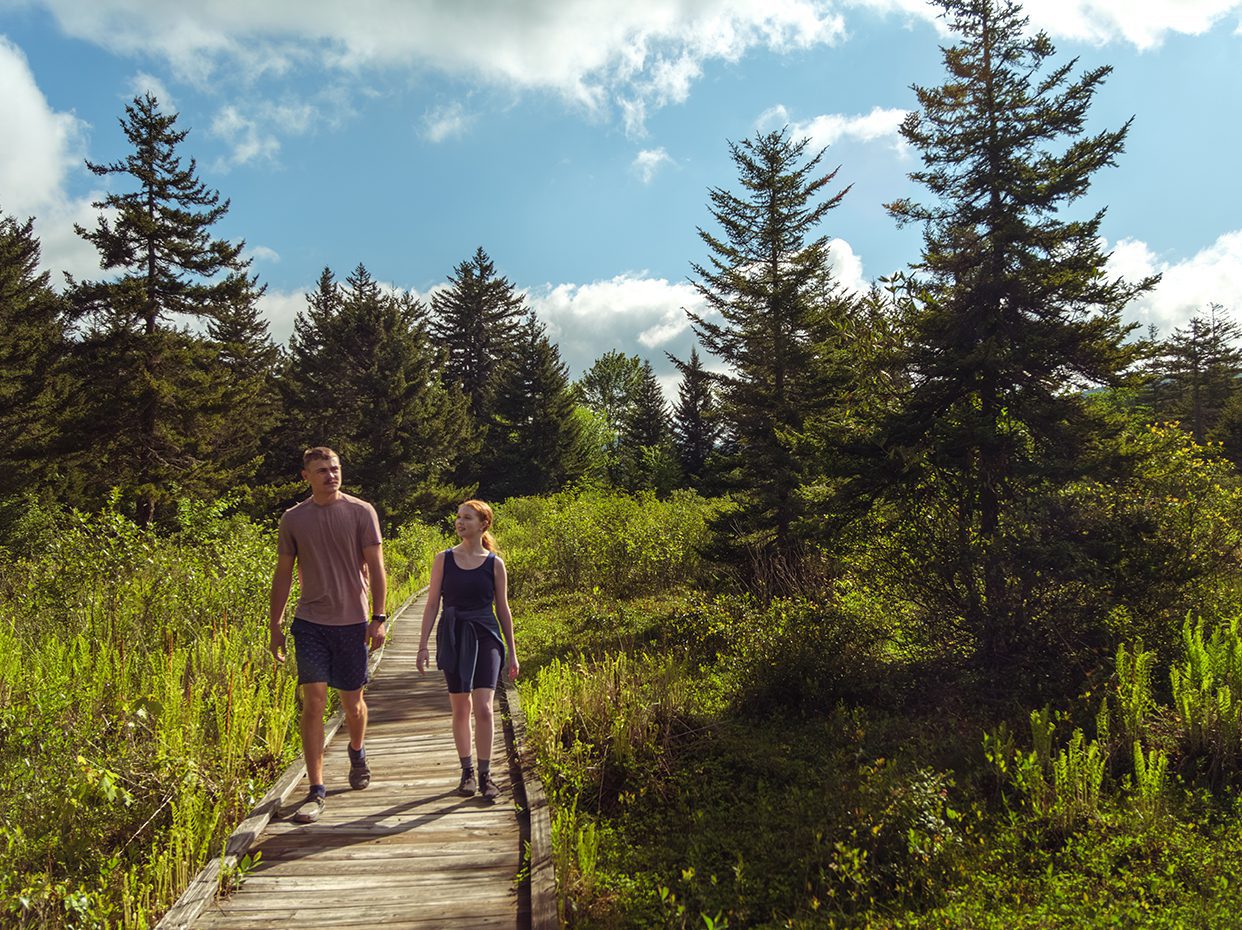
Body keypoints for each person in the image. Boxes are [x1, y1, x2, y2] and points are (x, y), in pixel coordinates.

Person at [269, 447, 388, 824]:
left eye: (335, 469)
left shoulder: (360, 511)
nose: (330, 475)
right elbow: (284, 574)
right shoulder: (293, 519)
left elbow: (377, 567)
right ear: (306, 475)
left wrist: (379, 617)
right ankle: (316, 789)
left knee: (353, 704)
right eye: (321, 470)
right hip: (310, 623)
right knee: (314, 702)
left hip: (352, 621)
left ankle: (357, 750)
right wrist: (274, 625)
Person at [416, 499, 519, 801]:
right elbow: (433, 602)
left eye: (468, 518)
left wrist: (512, 651)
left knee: (485, 707)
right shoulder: (443, 559)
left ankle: (486, 775)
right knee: (461, 708)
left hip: (486, 635)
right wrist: (422, 645)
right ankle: (467, 773)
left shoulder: (494, 564)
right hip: (453, 634)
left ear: (483, 524)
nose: (460, 523)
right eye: (459, 517)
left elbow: (503, 608)